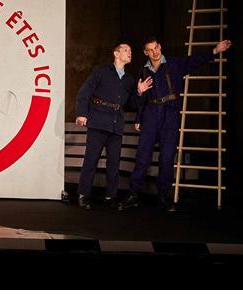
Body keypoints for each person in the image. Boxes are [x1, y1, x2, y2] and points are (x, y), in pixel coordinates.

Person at [119, 37, 232, 212]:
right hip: (150, 115)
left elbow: (194, 61)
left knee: (167, 157)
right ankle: (133, 194)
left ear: (160, 46)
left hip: (170, 114)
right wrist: (139, 108)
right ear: (145, 52)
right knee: (142, 156)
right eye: (151, 50)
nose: (155, 52)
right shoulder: (143, 71)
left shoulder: (174, 64)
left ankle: (163, 196)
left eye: (156, 47)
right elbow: (138, 101)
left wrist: (215, 51)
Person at [75, 42, 153, 210]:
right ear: (116, 54)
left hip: (116, 124)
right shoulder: (102, 71)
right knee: (91, 160)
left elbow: (131, 104)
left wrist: (139, 92)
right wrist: (82, 114)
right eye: (126, 50)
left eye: (130, 50)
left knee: (114, 163)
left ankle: (110, 196)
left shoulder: (129, 79)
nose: (129, 52)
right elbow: (84, 92)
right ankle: (83, 195)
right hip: (98, 121)